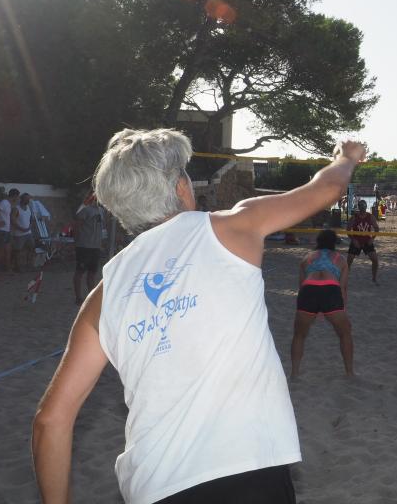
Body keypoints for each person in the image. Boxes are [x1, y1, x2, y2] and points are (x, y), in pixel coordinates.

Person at [32, 128, 366, 504]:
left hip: (154, 486)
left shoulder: (104, 292)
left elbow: (50, 420)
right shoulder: (232, 227)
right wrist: (347, 157)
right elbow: (327, 188)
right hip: (247, 470)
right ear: (180, 187)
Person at [290, 229, 353, 378]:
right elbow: (343, 288)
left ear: (318, 241)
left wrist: (313, 308)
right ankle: (349, 373)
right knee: (345, 333)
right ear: (334, 243)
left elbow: (301, 287)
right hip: (330, 289)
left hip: (308, 290)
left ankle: (294, 373)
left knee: (299, 335)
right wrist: (341, 308)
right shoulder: (341, 259)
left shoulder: (306, 258)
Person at [72, 194, 105, 305]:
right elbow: (77, 226)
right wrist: (76, 241)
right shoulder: (85, 210)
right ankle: (78, 297)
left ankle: (91, 298)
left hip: (95, 247)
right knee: (80, 272)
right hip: (84, 246)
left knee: (92, 273)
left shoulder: (101, 211)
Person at [346, 199, 380, 284]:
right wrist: (353, 240)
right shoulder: (354, 217)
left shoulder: (370, 217)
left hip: (367, 241)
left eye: (364, 207)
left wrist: (372, 238)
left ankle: (374, 279)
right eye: (361, 207)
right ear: (359, 207)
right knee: (349, 261)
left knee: (375, 260)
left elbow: (377, 229)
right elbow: (348, 230)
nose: (363, 209)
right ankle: (345, 278)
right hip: (356, 241)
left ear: (366, 207)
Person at [0, 188, 19, 272]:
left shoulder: (9, 204)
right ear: (14, 196)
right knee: (0, 251)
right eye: (17, 197)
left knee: (8, 251)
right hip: (1, 231)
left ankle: (8, 269)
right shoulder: (4, 203)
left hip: (6, 231)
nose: (17, 199)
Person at [12, 193, 35, 271]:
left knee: (31, 248)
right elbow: (13, 220)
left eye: (28, 199)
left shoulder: (28, 207)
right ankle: (17, 267)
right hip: (19, 234)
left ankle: (29, 265)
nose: (28, 200)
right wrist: (21, 228)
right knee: (17, 250)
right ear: (22, 199)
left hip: (28, 233)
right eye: (26, 199)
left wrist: (30, 226)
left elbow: (31, 219)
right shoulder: (16, 209)